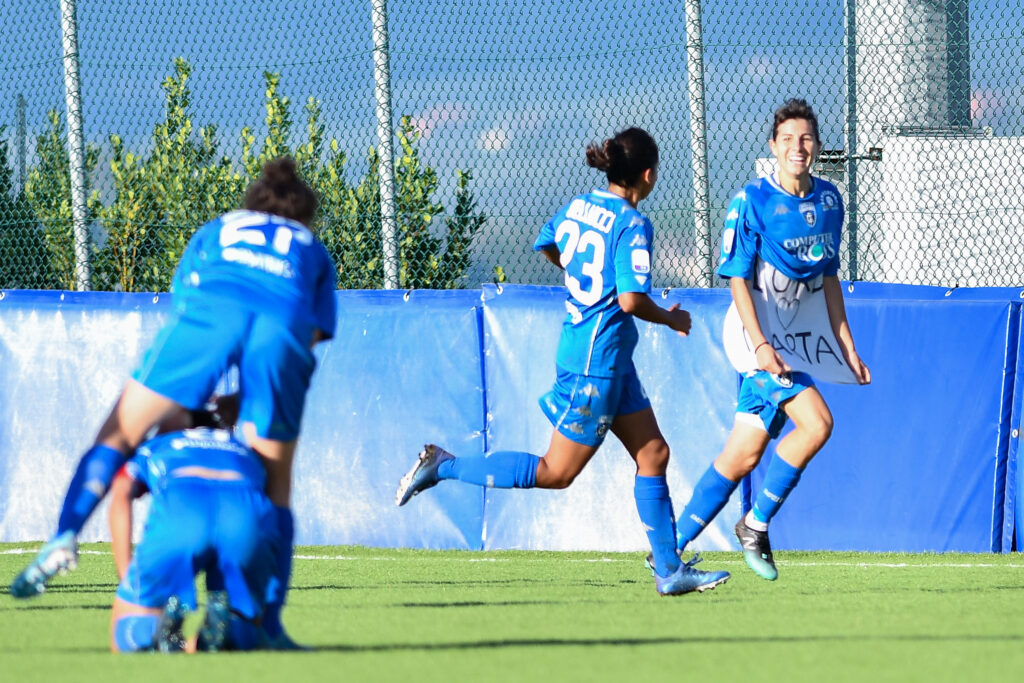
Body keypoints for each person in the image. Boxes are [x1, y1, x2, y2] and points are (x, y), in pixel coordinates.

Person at [11, 158, 337, 647]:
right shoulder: (311, 248)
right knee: (276, 483)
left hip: (209, 314)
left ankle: (65, 533)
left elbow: (186, 299)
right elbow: (310, 333)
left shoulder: (218, 230)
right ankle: (268, 624)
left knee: (119, 435)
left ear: (253, 204)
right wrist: (243, 398)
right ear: (303, 217)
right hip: (282, 323)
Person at [395, 127, 730, 596]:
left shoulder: (579, 206)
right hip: (596, 363)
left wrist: (581, 281)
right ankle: (443, 466)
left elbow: (546, 243)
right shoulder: (633, 223)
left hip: (607, 357)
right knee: (556, 472)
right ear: (649, 175)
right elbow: (632, 300)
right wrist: (670, 320)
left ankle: (670, 570)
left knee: (653, 453)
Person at [671, 99, 871, 580]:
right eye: (788, 140)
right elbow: (737, 279)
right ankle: (755, 525)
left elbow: (828, 280)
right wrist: (760, 346)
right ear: (773, 147)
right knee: (817, 423)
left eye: (805, 139)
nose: (797, 148)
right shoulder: (752, 201)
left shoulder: (829, 201)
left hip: (795, 342)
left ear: (818, 147)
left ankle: (668, 547)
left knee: (741, 456)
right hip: (753, 340)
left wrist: (847, 347)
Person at [108, 422, 280, 653]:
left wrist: (126, 576)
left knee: (125, 630)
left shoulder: (156, 445)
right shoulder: (242, 448)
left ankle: (152, 633)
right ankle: (225, 630)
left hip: (184, 509)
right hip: (245, 513)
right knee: (243, 617)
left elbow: (121, 492)